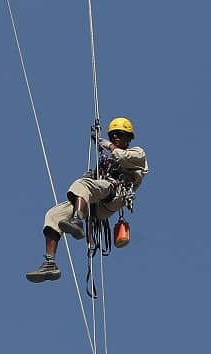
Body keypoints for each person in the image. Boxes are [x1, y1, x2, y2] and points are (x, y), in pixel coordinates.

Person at [26, 117, 149, 283]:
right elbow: (94, 178)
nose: (115, 138)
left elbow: (122, 157)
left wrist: (103, 143)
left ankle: (77, 221)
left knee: (82, 185)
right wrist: (92, 173)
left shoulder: (138, 153)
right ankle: (50, 263)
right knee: (54, 215)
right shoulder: (107, 160)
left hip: (114, 194)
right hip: (95, 200)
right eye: (113, 135)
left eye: (120, 134)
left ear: (129, 137)